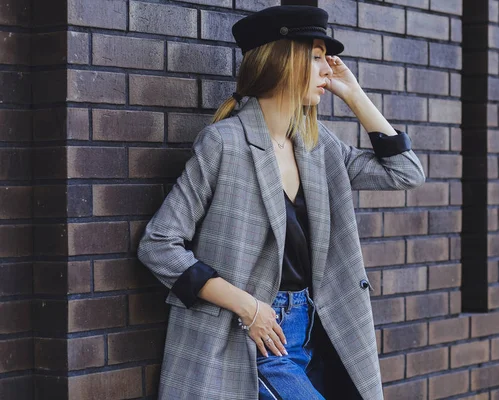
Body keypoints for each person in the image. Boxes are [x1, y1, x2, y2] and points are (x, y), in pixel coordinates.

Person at [138, 5, 425, 400]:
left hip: (315, 328)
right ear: (282, 61)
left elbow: (405, 172)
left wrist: (354, 93)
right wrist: (248, 307)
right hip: (247, 336)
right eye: (318, 58)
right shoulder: (225, 143)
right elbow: (158, 244)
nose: (328, 70)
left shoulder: (319, 146)